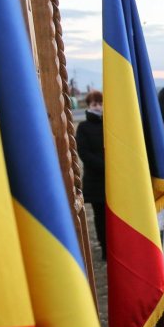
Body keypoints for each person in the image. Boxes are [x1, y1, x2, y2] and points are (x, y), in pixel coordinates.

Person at [75, 90, 106, 260]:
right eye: (95, 104)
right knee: (100, 216)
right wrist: (105, 166)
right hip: (96, 181)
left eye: (100, 103)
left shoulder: (110, 124)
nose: (98, 107)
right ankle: (104, 248)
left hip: (114, 180)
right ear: (89, 106)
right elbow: (84, 153)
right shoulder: (83, 127)